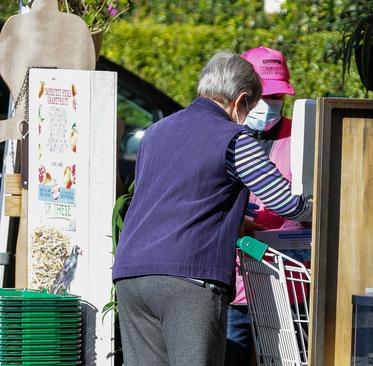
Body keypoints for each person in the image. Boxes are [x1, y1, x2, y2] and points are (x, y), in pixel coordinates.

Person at [112, 51, 312, 366]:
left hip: (131, 272)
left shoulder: (154, 133)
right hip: (189, 276)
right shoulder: (235, 139)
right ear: (241, 100)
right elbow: (282, 200)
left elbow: (174, 197)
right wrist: (317, 212)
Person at [225, 46, 304, 366]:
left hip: (290, 283)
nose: (270, 105)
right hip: (236, 285)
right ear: (243, 95)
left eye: (277, 97)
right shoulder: (224, 136)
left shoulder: (300, 138)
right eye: (263, 95)